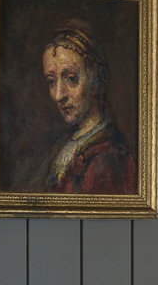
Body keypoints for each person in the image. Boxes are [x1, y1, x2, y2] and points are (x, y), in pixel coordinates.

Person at [39, 20, 137, 194]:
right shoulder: (66, 146)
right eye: (51, 81)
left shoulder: (109, 157)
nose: (58, 95)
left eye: (71, 78)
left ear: (94, 80)